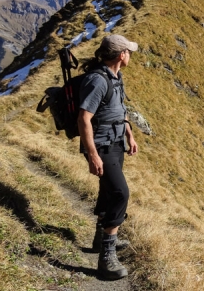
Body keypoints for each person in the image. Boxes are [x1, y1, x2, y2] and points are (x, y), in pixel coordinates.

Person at [78, 34, 138, 280]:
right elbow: (83, 118)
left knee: (107, 189)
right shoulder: (98, 80)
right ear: (121, 55)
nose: (131, 55)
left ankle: (99, 240)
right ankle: (106, 258)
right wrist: (92, 154)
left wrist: (130, 135)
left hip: (115, 143)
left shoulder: (116, 77)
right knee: (120, 193)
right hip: (101, 145)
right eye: (129, 52)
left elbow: (119, 110)